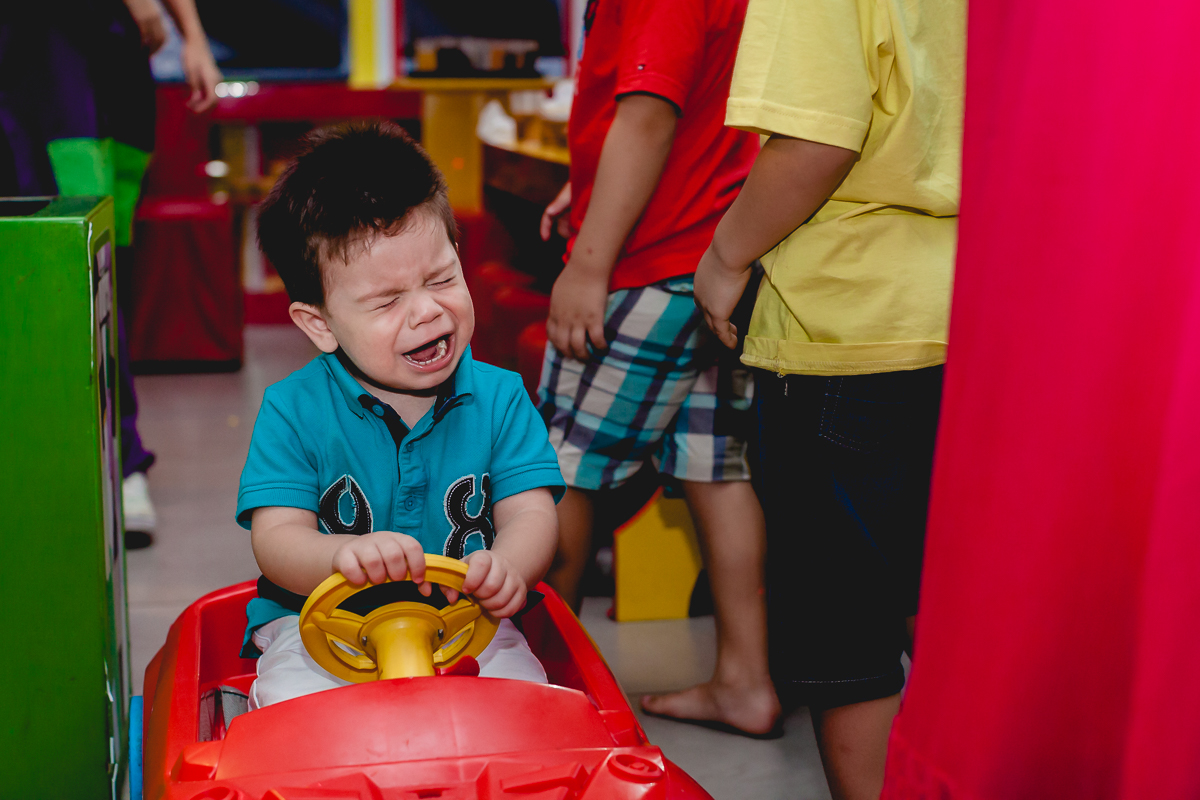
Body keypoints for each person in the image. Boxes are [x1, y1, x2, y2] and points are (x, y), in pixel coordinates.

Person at [692, 0, 964, 796]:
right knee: (954, 604)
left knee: (848, 628)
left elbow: (817, 139)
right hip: (989, 315)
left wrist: (725, 255)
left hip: (849, 327)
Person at [241, 122, 564, 709]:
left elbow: (532, 513)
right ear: (319, 324)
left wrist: (508, 565)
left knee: (527, 704)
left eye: (442, 279)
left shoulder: (502, 398)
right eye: (387, 302)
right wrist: (338, 558)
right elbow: (276, 538)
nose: (426, 311)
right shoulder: (291, 410)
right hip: (323, 632)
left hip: (466, 628)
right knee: (296, 710)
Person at [537, 0, 778, 736]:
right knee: (715, 469)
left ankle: (542, 688)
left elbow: (649, 114)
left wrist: (587, 263)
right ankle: (744, 679)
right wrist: (591, 186)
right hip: (714, 252)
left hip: (651, 265)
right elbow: (691, 106)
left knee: (558, 471)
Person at [0, 0, 222, 548]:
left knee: (95, 259)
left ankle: (117, 463)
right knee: (56, 248)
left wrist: (190, 32)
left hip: (102, 57)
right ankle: (93, 463)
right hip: (38, 49)